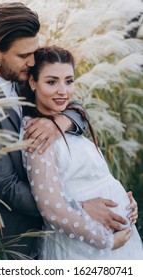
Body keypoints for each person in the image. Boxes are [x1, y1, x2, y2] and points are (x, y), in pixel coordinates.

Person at [0, 2, 137, 259]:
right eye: (24, 55)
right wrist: (80, 209)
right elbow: (6, 188)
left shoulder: (24, 76)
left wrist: (59, 122)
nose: (33, 61)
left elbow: (76, 107)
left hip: (69, 231)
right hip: (18, 239)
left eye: (34, 51)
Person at [20, 45, 143, 259]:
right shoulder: (38, 133)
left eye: (69, 81)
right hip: (85, 249)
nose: (63, 91)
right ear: (33, 82)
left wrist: (125, 202)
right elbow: (53, 210)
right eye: (51, 82)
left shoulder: (66, 122)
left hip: (119, 242)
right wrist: (106, 241)